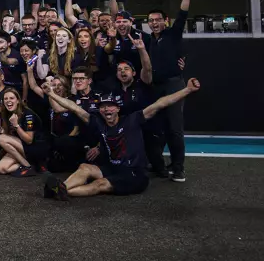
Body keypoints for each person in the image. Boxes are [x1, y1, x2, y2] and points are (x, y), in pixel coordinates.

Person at [43, 79, 201, 200]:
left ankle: (62, 191)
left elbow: (160, 104)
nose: (106, 109)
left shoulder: (132, 120)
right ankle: (61, 188)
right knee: (85, 167)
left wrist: (187, 89)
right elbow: (74, 107)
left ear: (118, 108)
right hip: (113, 169)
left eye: (110, 106)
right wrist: (51, 94)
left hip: (135, 174)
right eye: (103, 107)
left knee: (100, 184)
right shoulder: (99, 122)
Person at [144, 0, 192, 183]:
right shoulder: (148, 40)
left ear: (166, 20)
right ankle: (160, 165)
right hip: (155, 87)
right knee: (157, 130)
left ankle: (179, 168)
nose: (154, 23)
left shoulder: (173, 33)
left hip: (173, 85)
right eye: (151, 20)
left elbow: (183, 13)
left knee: (174, 129)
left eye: (157, 19)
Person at [0, 88, 47, 177]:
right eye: (6, 99)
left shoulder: (28, 114)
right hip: (22, 147)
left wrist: (16, 125)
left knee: (0, 138)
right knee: (1, 168)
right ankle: (34, 166)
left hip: (36, 148)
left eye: (11, 98)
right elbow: (9, 137)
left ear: (18, 100)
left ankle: (27, 165)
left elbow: (29, 140)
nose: (8, 101)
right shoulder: (8, 113)